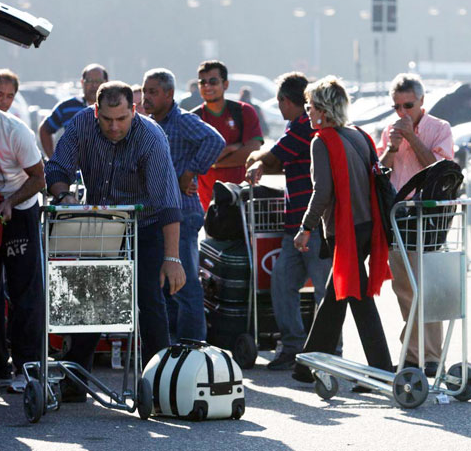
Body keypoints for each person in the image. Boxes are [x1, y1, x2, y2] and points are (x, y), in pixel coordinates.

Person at [45, 81, 185, 402]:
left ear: (133, 111)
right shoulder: (81, 123)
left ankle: (158, 383)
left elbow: (167, 203)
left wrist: (173, 258)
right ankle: (75, 380)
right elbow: (56, 168)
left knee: (149, 301)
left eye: (121, 118)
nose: (114, 126)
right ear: (96, 112)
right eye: (107, 119)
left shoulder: (151, 137)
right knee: (90, 300)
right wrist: (64, 195)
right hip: (101, 223)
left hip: (146, 224)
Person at [291, 76, 393, 388]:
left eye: (310, 107)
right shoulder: (359, 135)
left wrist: (305, 228)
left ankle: (383, 371)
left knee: (357, 298)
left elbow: (322, 193)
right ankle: (307, 365)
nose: (307, 113)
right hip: (367, 226)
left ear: (323, 110)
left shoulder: (321, 141)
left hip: (344, 229)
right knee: (338, 296)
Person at [245, 72, 332, 370]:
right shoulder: (298, 125)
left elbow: (273, 157)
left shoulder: (304, 126)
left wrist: (256, 158)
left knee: (324, 291)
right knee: (282, 282)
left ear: (284, 101)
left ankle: (328, 354)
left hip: (316, 225)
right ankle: (294, 348)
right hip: (295, 224)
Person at [377, 73, 454, 377]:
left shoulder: (439, 128)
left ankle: (431, 357)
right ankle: (413, 355)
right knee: (404, 289)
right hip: (399, 215)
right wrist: (392, 148)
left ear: (422, 101)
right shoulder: (390, 129)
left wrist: (411, 137)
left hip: (428, 215)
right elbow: (380, 170)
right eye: (396, 106)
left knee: (427, 288)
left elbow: (439, 169)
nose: (402, 113)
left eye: (408, 105)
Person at [0, 77, 45, 393]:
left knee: (23, 292)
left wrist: (10, 201)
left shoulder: (15, 132)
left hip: (20, 208)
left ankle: (27, 367)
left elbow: (39, 179)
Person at [142, 68, 224, 342]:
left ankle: (193, 347)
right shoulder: (149, 124)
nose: (146, 98)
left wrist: (189, 174)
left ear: (169, 94)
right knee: (165, 285)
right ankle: (172, 345)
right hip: (158, 216)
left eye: (152, 92)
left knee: (185, 284)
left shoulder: (181, 121)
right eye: (144, 91)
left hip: (184, 216)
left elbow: (215, 140)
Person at [191, 60, 263, 210]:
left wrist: (213, 163)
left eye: (213, 81)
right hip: (207, 203)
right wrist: (232, 148)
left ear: (225, 84)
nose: (207, 86)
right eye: (202, 82)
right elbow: (193, 160)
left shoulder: (244, 111)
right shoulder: (193, 118)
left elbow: (253, 152)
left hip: (242, 198)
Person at [39, 63, 108, 158]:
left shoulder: (115, 106)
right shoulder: (67, 106)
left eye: (98, 81)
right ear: (82, 83)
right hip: (73, 170)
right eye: (89, 81)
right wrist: (53, 160)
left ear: (106, 82)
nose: (94, 85)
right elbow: (45, 129)